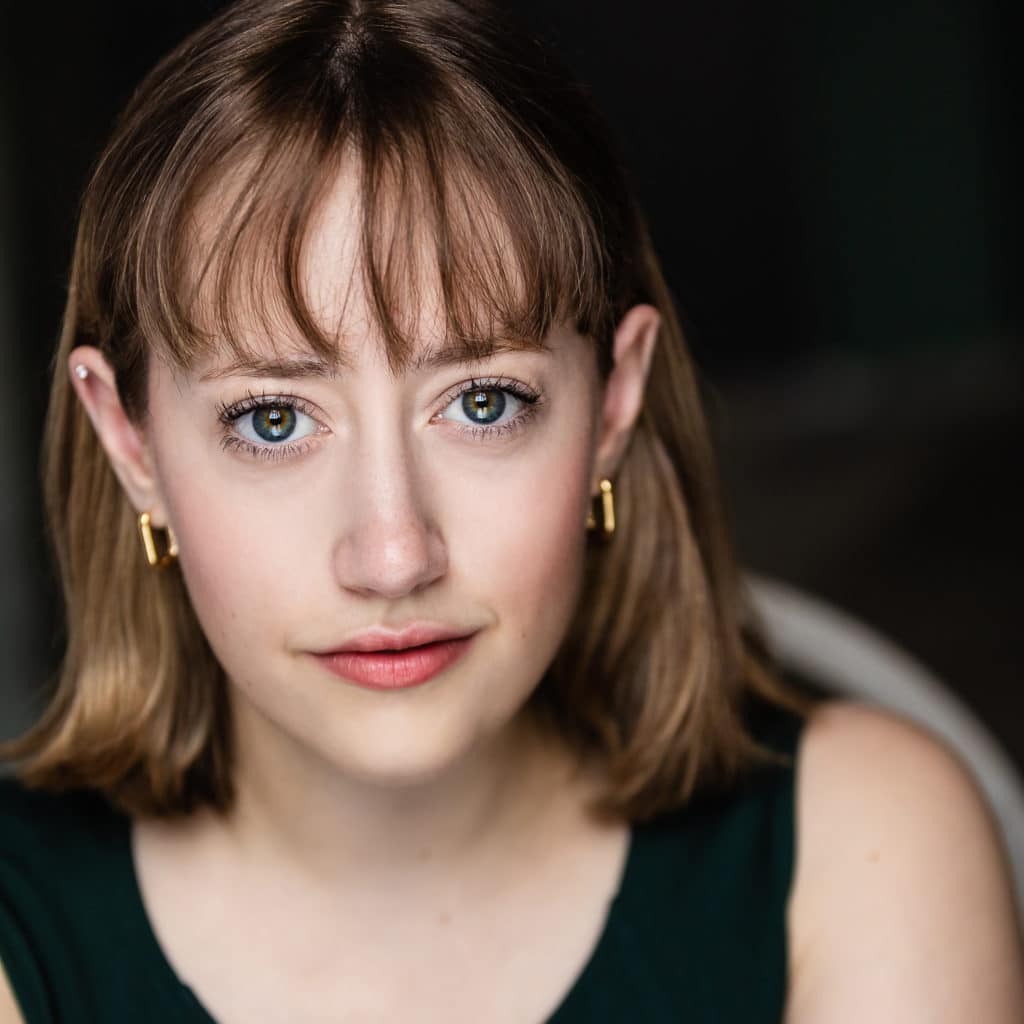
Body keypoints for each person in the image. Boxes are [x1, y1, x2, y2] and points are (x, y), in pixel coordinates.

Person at [1, 0, 1021, 1020]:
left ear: (613, 403)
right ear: (129, 440)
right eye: (273, 419)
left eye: (483, 403)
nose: (393, 553)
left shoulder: (862, 847)